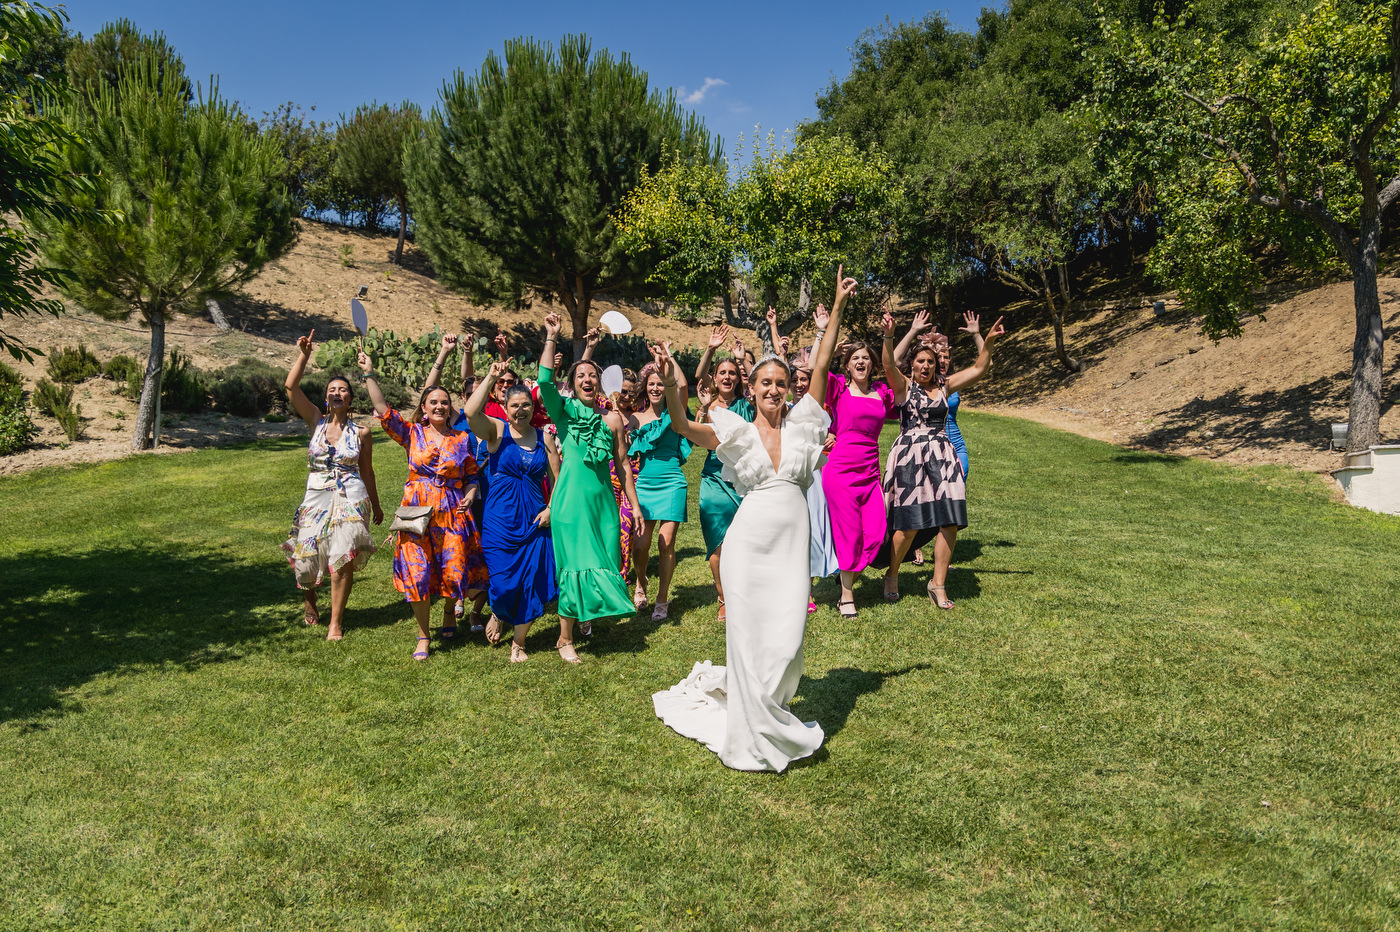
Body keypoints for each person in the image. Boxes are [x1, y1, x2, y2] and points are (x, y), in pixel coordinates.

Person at [650, 266, 857, 773]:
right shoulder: (735, 432)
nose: (773, 389)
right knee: (746, 638)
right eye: (765, 381)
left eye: (781, 382)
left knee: (787, 642)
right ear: (753, 385)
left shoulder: (806, 424)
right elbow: (679, 424)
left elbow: (825, 358)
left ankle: (771, 706)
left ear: (789, 388)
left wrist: (839, 305)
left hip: (790, 549)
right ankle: (748, 724)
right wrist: (674, 376)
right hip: (747, 547)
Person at [358, 349, 488, 660]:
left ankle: (447, 612)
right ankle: (423, 635)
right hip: (417, 512)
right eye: (434, 402)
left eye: (445, 402)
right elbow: (382, 410)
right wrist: (369, 374)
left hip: (453, 512)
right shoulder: (412, 433)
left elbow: (471, 475)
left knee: (453, 572)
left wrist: (470, 494)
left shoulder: (461, 439)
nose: (440, 406)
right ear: (424, 409)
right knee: (418, 574)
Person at [535, 313, 643, 663]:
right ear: (574, 382)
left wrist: (636, 506)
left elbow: (624, 465)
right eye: (580, 375)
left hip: (603, 505)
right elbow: (544, 382)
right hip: (570, 503)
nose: (587, 379)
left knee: (605, 560)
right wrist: (552, 336)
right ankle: (564, 639)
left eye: (592, 375)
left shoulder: (612, 419)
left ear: (599, 382)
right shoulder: (563, 413)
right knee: (575, 566)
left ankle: (582, 618)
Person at [879, 309, 1004, 608]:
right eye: (920, 361)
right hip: (910, 457)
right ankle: (892, 574)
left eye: (930, 362)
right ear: (912, 365)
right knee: (909, 525)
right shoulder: (904, 387)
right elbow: (886, 363)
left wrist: (987, 342)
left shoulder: (945, 386)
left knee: (950, 521)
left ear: (937, 365)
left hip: (943, 457)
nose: (926, 366)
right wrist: (889, 335)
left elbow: (978, 369)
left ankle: (937, 583)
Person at [281, 330, 382, 640]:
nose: (337, 393)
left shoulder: (362, 433)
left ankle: (336, 622)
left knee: (342, 558)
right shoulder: (316, 420)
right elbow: (290, 387)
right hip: (316, 496)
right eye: (332, 390)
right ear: (326, 397)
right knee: (305, 564)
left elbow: (367, 471)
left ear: (350, 398)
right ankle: (310, 598)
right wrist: (304, 355)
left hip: (351, 496)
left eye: (343, 390)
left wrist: (376, 506)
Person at [464, 358, 560, 662]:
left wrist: (550, 509)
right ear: (506, 408)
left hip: (534, 518)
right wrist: (491, 378)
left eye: (525, 405)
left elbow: (557, 479)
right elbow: (469, 412)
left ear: (532, 407)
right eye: (514, 405)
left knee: (531, 582)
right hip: (500, 519)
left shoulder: (544, 437)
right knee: (504, 583)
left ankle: (519, 642)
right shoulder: (497, 431)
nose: (521, 410)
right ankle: (499, 611)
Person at [418, 331, 492, 634]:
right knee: (452, 550)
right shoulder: (456, 420)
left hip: (486, 492)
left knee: (478, 551)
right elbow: (431, 393)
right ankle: (455, 600)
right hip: (452, 497)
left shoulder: (497, 416)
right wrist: (451, 352)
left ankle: (471, 605)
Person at [821, 326, 896, 618]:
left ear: (872, 364)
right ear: (847, 364)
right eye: (855, 358)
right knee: (849, 532)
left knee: (876, 530)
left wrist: (893, 338)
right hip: (840, 470)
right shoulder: (838, 388)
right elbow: (818, 367)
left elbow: (898, 382)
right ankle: (847, 595)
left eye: (865, 357)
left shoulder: (882, 393)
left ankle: (848, 569)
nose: (861, 362)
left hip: (869, 470)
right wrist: (825, 339)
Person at [692, 325, 753, 621]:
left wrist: (743, 360)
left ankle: (749, 592)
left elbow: (759, 383)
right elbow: (696, 378)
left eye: (732, 373)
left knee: (748, 539)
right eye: (722, 373)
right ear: (714, 379)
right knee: (717, 541)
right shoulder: (709, 406)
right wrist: (711, 349)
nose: (727, 377)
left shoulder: (747, 404)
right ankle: (723, 597)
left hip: (745, 479)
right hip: (714, 480)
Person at [628, 357, 692, 621]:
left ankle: (662, 598)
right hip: (644, 485)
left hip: (673, 482)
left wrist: (668, 357)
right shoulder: (635, 418)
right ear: (646, 388)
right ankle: (641, 581)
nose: (656, 388)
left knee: (666, 543)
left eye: (660, 384)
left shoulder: (675, 412)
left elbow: (684, 386)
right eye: (651, 384)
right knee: (640, 545)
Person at [607, 369, 639, 580]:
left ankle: (623, 572)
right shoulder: (605, 413)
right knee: (610, 524)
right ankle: (609, 567)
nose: (626, 397)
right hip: (608, 474)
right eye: (622, 392)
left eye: (630, 393)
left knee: (626, 525)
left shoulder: (638, 416)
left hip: (631, 475)